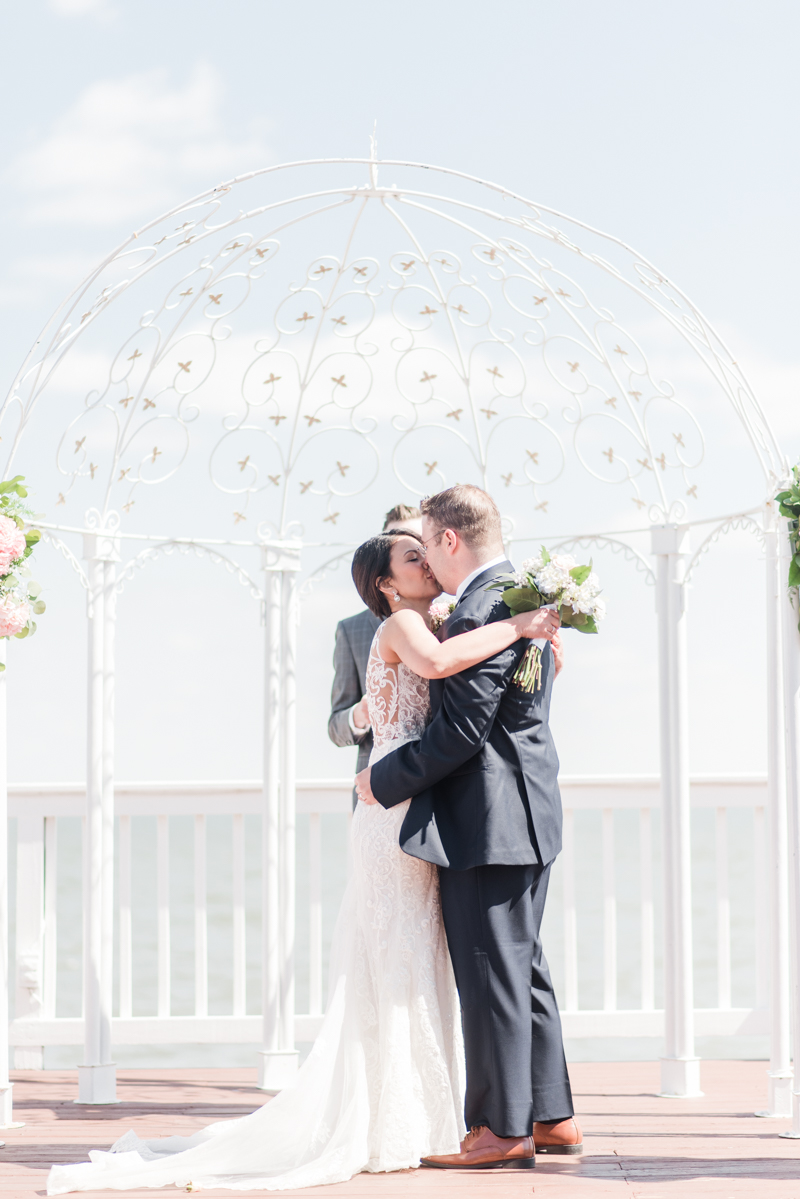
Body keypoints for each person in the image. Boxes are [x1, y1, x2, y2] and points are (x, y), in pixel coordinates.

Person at [46, 527, 557, 1194]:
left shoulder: (420, 621)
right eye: (413, 557)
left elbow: (393, 702)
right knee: (397, 954)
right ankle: (396, 1118)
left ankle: (414, 1114)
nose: (427, 563)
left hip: (405, 798)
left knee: (411, 955)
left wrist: (530, 642)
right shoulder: (407, 622)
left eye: (427, 551)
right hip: (395, 805)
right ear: (385, 581)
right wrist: (520, 623)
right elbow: (432, 671)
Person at [355, 484, 582, 1169]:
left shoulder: (482, 609)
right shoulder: (518, 599)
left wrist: (381, 781)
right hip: (529, 807)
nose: (426, 558)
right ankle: (550, 1114)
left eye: (427, 543)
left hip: (486, 816)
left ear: (450, 541)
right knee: (521, 967)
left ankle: (499, 1126)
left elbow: (458, 732)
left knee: (489, 971)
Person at [328, 504, 422, 804]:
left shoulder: (454, 617)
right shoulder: (352, 630)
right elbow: (335, 726)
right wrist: (361, 713)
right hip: (377, 790)